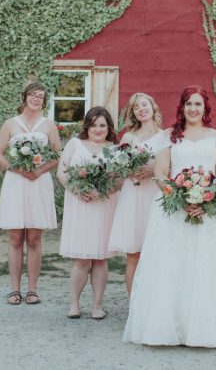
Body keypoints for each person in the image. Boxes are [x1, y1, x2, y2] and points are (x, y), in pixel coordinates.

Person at [123, 86, 216, 349]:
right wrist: (180, 198)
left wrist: (207, 199)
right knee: (172, 264)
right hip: (173, 208)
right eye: (189, 104)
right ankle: (170, 326)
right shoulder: (170, 136)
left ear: (205, 108)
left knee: (206, 264)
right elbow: (160, 173)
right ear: (182, 107)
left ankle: (205, 327)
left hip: (210, 208)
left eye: (198, 104)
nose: (193, 109)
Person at [0, 81, 61, 305]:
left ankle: (32, 290)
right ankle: (14, 290)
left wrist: (39, 170)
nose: (36, 99)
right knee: (15, 238)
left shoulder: (49, 125)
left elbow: (58, 156)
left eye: (41, 96)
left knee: (34, 238)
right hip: (15, 182)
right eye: (33, 95)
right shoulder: (10, 124)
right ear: (25, 97)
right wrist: (16, 168)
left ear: (44, 101)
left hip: (38, 183)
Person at [57, 107, 120, 320]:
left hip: (104, 205)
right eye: (94, 125)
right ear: (87, 126)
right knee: (81, 259)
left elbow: (119, 180)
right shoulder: (75, 144)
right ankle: (74, 304)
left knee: (101, 258)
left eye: (102, 125)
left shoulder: (115, 149)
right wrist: (78, 189)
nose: (98, 129)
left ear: (108, 127)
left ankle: (97, 305)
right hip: (80, 205)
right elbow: (62, 172)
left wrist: (101, 189)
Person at [108, 93, 169, 295]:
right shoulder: (128, 137)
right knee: (133, 254)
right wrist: (129, 170)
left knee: (156, 254)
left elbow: (172, 166)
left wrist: (153, 170)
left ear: (153, 107)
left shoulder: (166, 136)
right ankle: (133, 304)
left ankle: (153, 303)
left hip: (154, 193)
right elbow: (118, 167)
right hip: (133, 195)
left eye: (144, 104)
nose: (141, 109)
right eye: (136, 107)